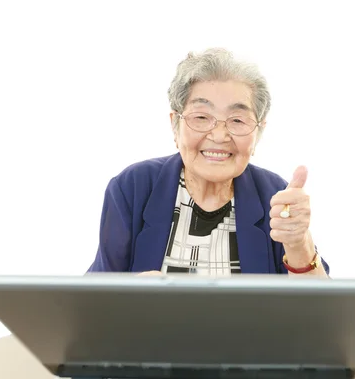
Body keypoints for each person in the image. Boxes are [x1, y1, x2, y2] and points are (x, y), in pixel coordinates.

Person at [87, 48, 329, 277]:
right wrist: (129, 298)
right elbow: (92, 302)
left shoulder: (275, 195)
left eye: (237, 120)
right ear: (175, 125)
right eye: (202, 117)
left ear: (258, 133)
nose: (219, 135)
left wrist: (299, 244)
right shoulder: (134, 186)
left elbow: (322, 313)